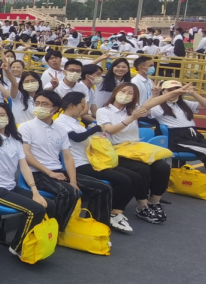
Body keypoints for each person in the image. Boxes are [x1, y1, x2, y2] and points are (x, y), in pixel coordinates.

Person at [19, 90, 112, 231]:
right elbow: (26, 154)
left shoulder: (60, 129)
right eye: (37, 103)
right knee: (69, 192)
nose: (39, 107)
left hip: (58, 172)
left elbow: (68, 157)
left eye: (44, 104)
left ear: (54, 109)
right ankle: (56, 231)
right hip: (37, 173)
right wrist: (49, 172)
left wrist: (73, 181)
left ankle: (97, 229)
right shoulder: (26, 127)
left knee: (103, 188)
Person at [0, 90, 48, 258]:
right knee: (35, 210)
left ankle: (34, 240)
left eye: (2, 114)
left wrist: (35, 192)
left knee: (47, 204)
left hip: (10, 187)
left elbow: (24, 167)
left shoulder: (15, 139)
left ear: (9, 117)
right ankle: (17, 247)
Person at [96, 82, 179, 224]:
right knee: (142, 169)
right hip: (116, 151)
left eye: (130, 93)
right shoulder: (103, 111)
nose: (125, 95)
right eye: (123, 91)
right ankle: (142, 205)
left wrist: (171, 93)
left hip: (135, 148)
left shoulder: (132, 109)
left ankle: (154, 201)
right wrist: (132, 118)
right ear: (116, 92)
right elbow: (110, 130)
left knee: (162, 167)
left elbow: (151, 104)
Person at [54, 91, 136, 233]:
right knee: (123, 180)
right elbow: (76, 137)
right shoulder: (60, 122)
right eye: (82, 106)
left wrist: (96, 132)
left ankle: (114, 211)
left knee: (134, 178)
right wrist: (95, 129)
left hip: (91, 160)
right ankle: (108, 212)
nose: (83, 109)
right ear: (71, 105)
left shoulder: (75, 121)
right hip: (79, 164)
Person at [150, 80, 206, 165]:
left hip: (193, 135)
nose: (174, 93)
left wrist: (193, 93)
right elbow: (143, 109)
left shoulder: (185, 103)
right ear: (163, 91)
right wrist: (153, 96)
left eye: (177, 90)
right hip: (177, 138)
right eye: (169, 90)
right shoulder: (157, 107)